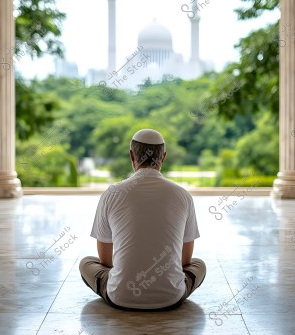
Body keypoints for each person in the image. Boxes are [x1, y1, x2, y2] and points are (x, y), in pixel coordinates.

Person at [79, 128, 206, 310]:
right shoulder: (182, 195)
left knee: (87, 263)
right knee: (198, 264)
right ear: (163, 157)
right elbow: (186, 260)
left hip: (119, 297)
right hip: (171, 298)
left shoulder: (112, 194)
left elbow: (105, 261)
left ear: (132, 156)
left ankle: (120, 286)